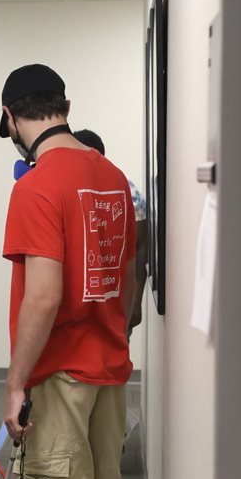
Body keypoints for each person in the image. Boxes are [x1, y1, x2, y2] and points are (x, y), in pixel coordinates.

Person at [0, 66, 137, 479]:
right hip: (107, 365)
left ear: (11, 117)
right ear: (66, 106)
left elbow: (43, 297)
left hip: (57, 374)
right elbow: (124, 278)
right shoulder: (112, 175)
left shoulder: (37, 186)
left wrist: (14, 384)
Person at [72, 129, 148, 336]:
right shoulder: (70, 189)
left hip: (116, 299)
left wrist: (136, 303)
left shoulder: (127, 191)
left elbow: (140, 248)